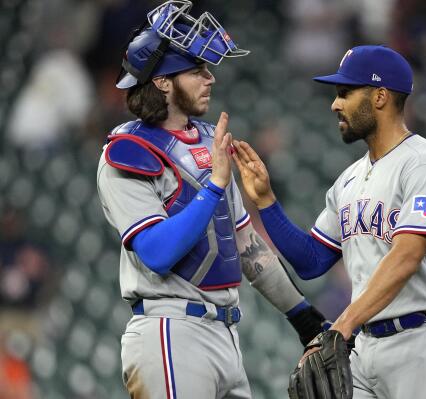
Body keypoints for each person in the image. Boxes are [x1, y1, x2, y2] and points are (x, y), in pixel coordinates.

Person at [96, 2, 328, 398]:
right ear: (163, 82)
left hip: (225, 332)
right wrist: (215, 186)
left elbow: (245, 244)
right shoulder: (126, 153)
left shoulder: (206, 141)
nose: (210, 78)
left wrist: (304, 318)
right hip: (170, 333)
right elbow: (156, 252)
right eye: (196, 70)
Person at [233, 45, 426, 398]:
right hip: (366, 348)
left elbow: (407, 255)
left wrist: (344, 324)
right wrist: (266, 202)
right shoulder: (348, 180)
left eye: (345, 93)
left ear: (380, 97)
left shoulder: (424, 164)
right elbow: (311, 260)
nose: (335, 104)